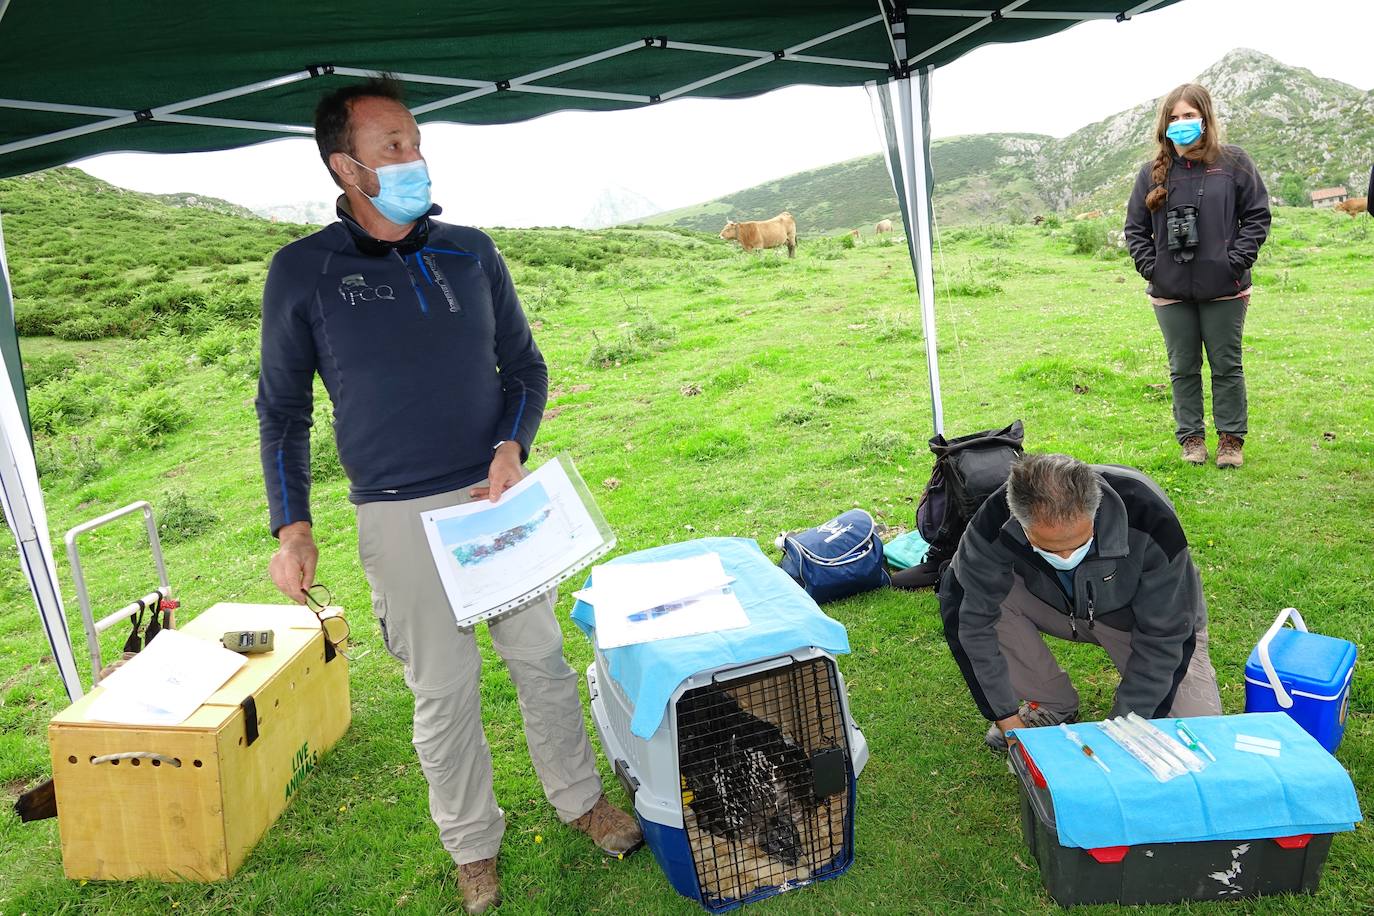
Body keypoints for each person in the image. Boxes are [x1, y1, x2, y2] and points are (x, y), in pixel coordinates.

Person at [256, 78, 640, 915]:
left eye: (416, 141)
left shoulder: (471, 250)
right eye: (392, 146)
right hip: (397, 513)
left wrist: (512, 447)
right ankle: (473, 846)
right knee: (443, 689)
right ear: (346, 165)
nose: (413, 158)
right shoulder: (303, 273)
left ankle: (581, 801)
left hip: (495, 500)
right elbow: (281, 412)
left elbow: (526, 370)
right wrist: (293, 528)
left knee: (540, 659)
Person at [938, 453, 1221, 752]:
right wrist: (1007, 721)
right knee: (980, 598)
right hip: (1055, 606)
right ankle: (1050, 703)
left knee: (1194, 731)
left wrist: (1124, 728)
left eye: (1078, 544)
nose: (1064, 559)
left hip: (1138, 619)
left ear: (1095, 511)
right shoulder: (995, 517)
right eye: (1048, 548)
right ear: (1020, 523)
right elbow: (968, 616)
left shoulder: (1149, 516)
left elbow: (1167, 636)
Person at [1124, 83, 1271, 469]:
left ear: (1205, 119)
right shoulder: (1151, 173)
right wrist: (1152, 267)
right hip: (1170, 290)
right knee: (1182, 367)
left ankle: (1230, 441)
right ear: (1164, 124)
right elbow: (1136, 230)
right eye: (1173, 118)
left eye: (1188, 116)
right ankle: (1191, 439)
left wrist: (1234, 261)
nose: (1181, 123)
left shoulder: (1234, 163)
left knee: (1226, 365)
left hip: (1225, 287)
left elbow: (1256, 216)